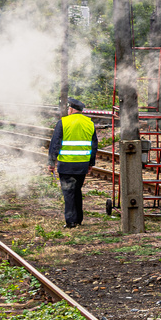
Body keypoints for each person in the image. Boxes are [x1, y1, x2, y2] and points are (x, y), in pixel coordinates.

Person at [47, 97, 98, 228]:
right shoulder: (89, 123)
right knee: (77, 190)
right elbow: (94, 146)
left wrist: (51, 162)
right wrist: (91, 164)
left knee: (68, 192)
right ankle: (79, 219)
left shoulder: (63, 122)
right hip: (82, 165)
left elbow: (55, 144)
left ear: (71, 109)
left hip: (66, 165)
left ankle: (71, 221)